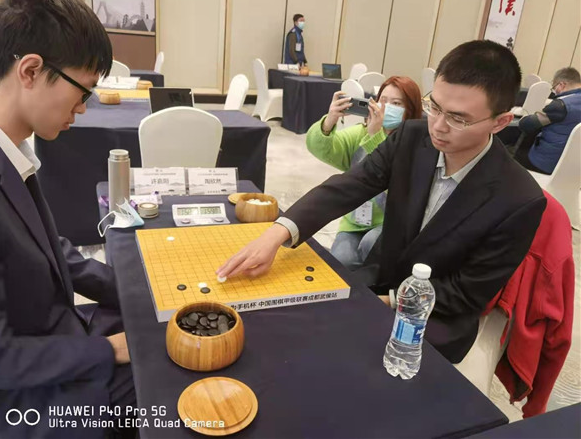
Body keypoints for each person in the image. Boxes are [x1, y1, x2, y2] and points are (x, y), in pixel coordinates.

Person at [217, 40, 546, 363]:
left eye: (458, 119)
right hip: (380, 277)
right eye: (434, 107)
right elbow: (350, 185)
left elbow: (467, 292)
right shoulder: (412, 137)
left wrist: (385, 302)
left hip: (434, 316)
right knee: (291, 324)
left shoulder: (519, 199)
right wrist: (276, 234)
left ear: (501, 122)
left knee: (350, 359)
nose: (438, 126)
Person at [0, 0, 135, 438]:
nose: (83, 108)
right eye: (82, 90)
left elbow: (49, 252)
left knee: (155, 324)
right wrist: (108, 351)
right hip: (24, 398)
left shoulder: (5, 148)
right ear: (30, 70)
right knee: (177, 387)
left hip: (56, 339)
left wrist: (136, 294)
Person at [306, 76, 422, 270]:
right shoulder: (361, 132)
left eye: (396, 103)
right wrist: (329, 121)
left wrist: (375, 137)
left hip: (390, 223)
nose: (386, 107)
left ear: (410, 109)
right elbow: (320, 148)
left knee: (370, 247)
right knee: (341, 261)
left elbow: (385, 178)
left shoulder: (413, 144)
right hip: (355, 221)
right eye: (383, 100)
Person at [514, 67, 581, 174]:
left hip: (546, 163)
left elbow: (527, 124)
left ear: (561, 85)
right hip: (574, 167)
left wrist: (526, 116)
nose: (554, 92)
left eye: (554, 88)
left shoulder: (560, 106)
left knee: (518, 150)